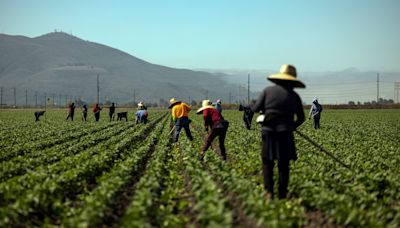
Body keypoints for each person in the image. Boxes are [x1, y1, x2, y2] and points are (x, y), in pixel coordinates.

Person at [251, 64, 305, 199]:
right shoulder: (294, 95)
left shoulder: (267, 91)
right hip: (285, 131)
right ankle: (282, 194)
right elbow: (301, 118)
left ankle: (269, 191)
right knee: (283, 163)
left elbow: (256, 108)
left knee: (267, 161)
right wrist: (292, 126)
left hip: (268, 130)